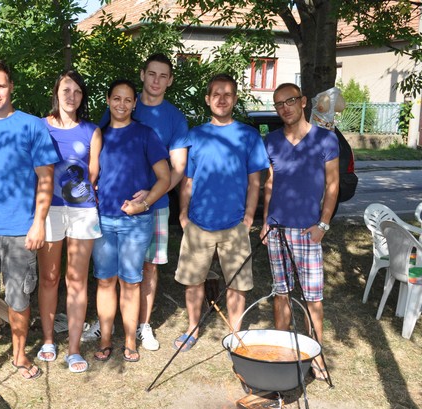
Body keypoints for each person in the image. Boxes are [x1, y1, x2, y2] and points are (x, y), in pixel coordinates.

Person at [85, 53, 189, 351]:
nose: (156, 80)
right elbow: (97, 162)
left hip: (151, 208)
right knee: (107, 277)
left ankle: (142, 327)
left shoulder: (171, 119)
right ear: (143, 75)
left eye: (163, 75)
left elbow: (176, 168)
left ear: (169, 81)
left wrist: (149, 198)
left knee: (146, 270)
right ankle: (105, 328)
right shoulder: (111, 120)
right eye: (152, 74)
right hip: (108, 213)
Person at [0, 59, 59, 381]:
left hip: (22, 229)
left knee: (19, 296)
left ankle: (19, 354)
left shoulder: (32, 126)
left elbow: (46, 178)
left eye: (1, 86)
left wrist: (39, 222)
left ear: (11, 87)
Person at [174, 73, 269, 351]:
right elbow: (187, 180)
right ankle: (192, 329)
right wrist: (183, 213)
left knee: (237, 283)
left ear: (235, 99)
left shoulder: (248, 135)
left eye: (228, 94)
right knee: (193, 281)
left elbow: (255, 181)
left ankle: (235, 334)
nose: (222, 99)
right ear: (207, 99)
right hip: (198, 222)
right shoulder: (195, 135)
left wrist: (249, 217)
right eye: (216, 94)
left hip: (235, 224)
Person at [260, 83, 339, 381]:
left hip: (308, 231)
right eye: (279, 104)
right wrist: (266, 221)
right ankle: (281, 352)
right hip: (277, 229)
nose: (285, 108)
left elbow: (333, 185)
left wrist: (323, 224)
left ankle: (315, 356)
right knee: (281, 292)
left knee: (313, 297)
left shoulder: (326, 139)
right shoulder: (271, 141)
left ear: (303, 101)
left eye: (290, 101)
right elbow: (269, 183)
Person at [92, 79, 170, 363]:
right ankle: (105, 339)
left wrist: (145, 202)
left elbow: (165, 177)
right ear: (108, 100)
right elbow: (90, 174)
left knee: (131, 282)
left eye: (127, 100)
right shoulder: (98, 135)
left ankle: (129, 341)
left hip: (136, 223)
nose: (121, 104)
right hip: (102, 219)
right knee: (105, 281)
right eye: (116, 98)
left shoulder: (145, 134)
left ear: (135, 103)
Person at [36, 71, 102, 373]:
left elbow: (93, 173)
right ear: (56, 92)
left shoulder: (92, 131)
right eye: (66, 90)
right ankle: (49, 340)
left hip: (82, 211)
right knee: (49, 278)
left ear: (82, 96)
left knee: (76, 279)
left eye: (77, 91)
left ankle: (74, 349)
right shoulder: (40, 127)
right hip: (48, 209)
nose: (71, 96)